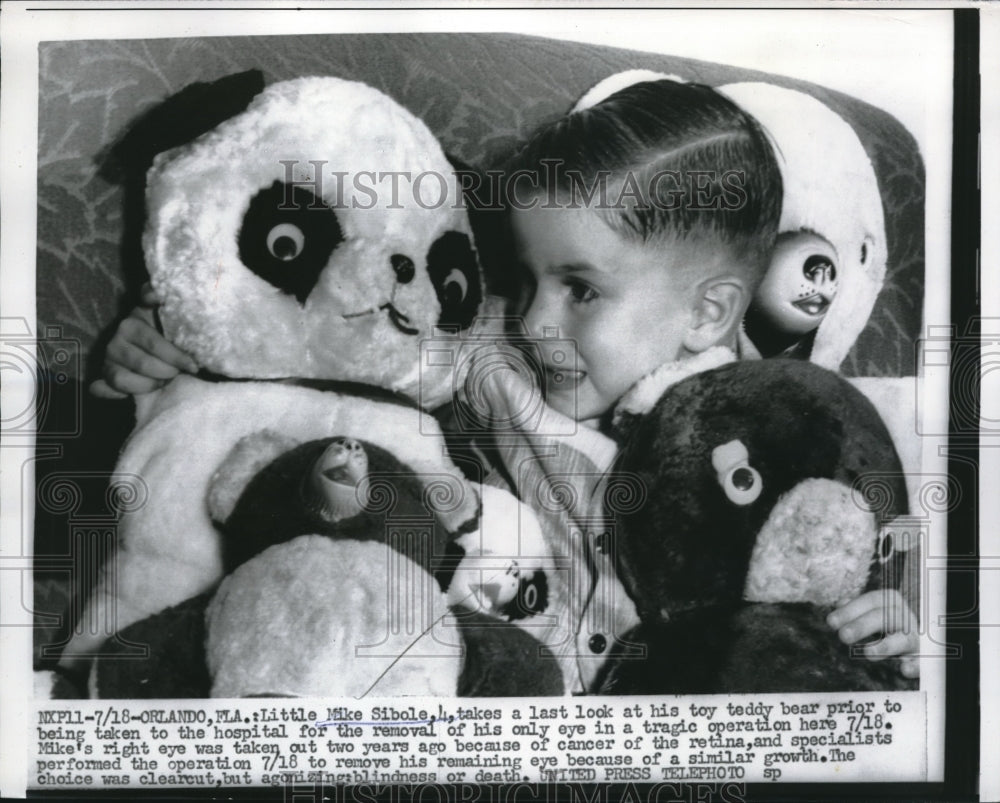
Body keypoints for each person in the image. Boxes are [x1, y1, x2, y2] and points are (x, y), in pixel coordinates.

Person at [94, 78, 918, 692]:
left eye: (581, 289)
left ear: (709, 312)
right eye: (526, 280)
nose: (536, 318)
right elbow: (348, 342)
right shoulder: (501, 362)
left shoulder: (782, 427)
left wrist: (884, 625)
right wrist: (169, 344)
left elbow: (846, 554)